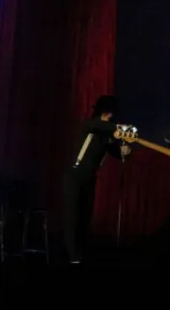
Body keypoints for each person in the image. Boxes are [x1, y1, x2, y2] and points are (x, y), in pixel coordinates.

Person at [64, 95, 130, 264]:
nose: (111, 116)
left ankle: (80, 253)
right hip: (75, 174)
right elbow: (102, 126)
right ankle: (72, 255)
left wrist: (124, 151)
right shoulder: (90, 125)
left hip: (90, 177)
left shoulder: (107, 134)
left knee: (85, 216)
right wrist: (121, 129)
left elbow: (116, 152)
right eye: (109, 113)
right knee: (73, 214)